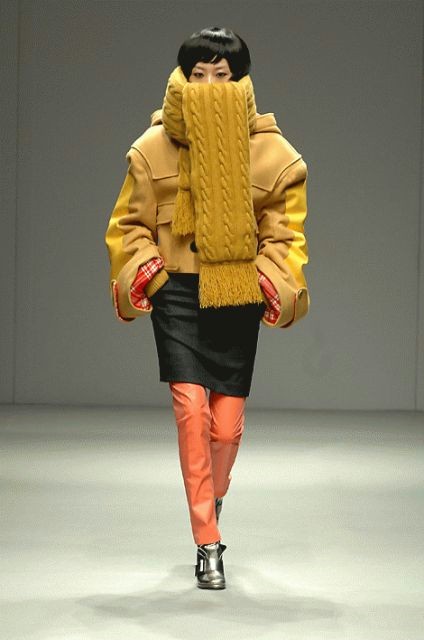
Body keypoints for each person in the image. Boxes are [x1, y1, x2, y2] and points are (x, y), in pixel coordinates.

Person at [104, 26, 310, 590]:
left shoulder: (274, 156)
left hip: (236, 290)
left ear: (242, 81)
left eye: (222, 75)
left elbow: (286, 234)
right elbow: (129, 224)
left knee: (226, 429)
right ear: (182, 78)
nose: (210, 86)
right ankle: (207, 542)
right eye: (198, 75)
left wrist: (270, 278)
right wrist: (148, 270)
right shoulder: (152, 148)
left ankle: (210, 499)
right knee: (191, 412)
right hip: (177, 291)